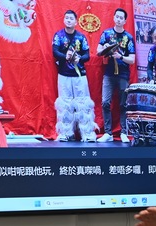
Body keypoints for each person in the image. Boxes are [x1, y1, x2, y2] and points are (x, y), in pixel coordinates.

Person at [52, 10, 97, 142]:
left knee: (83, 103)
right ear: (64, 20)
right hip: (64, 74)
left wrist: (79, 59)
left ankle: (87, 134)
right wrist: (65, 56)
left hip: (79, 76)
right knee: (65, 104)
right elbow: (55, 52)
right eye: (66, 18)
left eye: (71, 18)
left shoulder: (81, 37)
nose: (68, 20)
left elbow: (87, 55)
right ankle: (66, 133)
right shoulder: (59, 36)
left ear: (76, 22)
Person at [97, 8, 136, 143]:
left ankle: (123, 132)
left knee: (123, 104)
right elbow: (98, 51)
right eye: (117, 17)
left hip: (123, 75)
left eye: (121, 18)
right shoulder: (106, 34)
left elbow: (132, 60)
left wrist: (121, 56)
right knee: (105, 102)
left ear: (125, 21)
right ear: (114, 18)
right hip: (108, 74)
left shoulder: (128, 37)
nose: (119, 19)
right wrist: (105, 48)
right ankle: (108, 133)